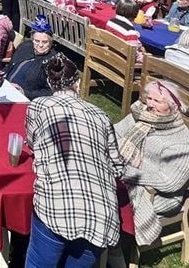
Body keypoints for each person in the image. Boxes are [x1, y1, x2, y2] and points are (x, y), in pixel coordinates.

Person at [25, 53, 126, 267]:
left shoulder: (38, 106)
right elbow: (117, 167)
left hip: (55, 205)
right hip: (101, 215)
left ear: (50, 84)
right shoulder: (101, 115)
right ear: (78, 84)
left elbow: (32, 142)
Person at [106, 81, 189, 266]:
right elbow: (113, 132)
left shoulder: (181, 143)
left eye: (157, 101)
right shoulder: (140, 118)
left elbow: (169, 182)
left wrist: (127, 172)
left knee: (107, 200)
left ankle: (115, 256)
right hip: (127, 176)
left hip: (159, 195)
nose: (150, 104)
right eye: (149, 98)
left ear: (173, 107)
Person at [4, 15, 60, 99]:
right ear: (32, 40)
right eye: (37, 41)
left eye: (45, 42)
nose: (40, 45)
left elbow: (50, 91)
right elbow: (11, 66)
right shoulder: (25, 46)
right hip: (5, 87)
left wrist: (25, 93)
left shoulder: (54, 61)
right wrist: (0, 75)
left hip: (24, 99)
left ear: (51, 43)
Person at [105, 0, 145, 64]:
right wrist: (143, 58)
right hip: (122, 61)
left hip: (111, 53)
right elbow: (133, 55)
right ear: (135, 14)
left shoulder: (110, 22)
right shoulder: (130, 32)